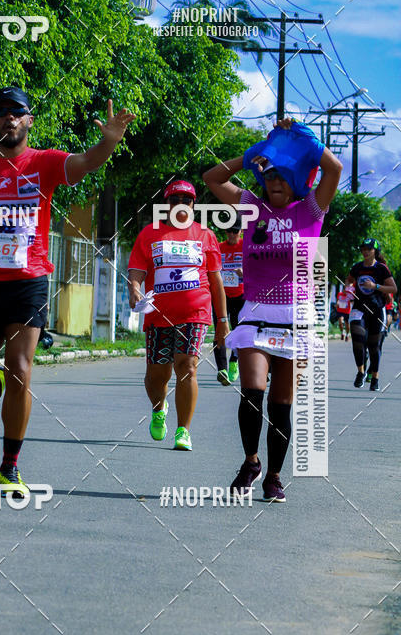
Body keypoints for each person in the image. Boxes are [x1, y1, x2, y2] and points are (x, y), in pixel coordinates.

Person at [0, 86, 135, 494]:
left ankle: (9, 466)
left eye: (17, 112)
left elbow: (87, 162)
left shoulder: (44, 163)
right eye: (1, 112)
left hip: (29, 282)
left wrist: (107, 142)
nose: (9, 118)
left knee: (21, 367)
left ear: (28, 120)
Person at [203, 119, 342, 503]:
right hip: (255, 313)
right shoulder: (251, 206)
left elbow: (334, 169)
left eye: (284, 176)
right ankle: (251, 462)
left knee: (282, 404)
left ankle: (275, 476)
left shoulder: (311, 209)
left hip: (296, 319)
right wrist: (251, 154)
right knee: (252, 390)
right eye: (270, 175)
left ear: (297, 178)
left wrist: (305, 138)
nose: (276, 182)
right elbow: (212, 178)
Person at [127, 179, 228, 451]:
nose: (180, 204)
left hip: (195, 312)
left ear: (194, 204)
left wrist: (222, 321)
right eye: (175, 200)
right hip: (159, 316)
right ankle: (159, 408)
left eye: (187, 200)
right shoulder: (150, 234)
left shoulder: (205, 235)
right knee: (156, 377)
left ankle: (183, 430)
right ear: (166, 204)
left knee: (187, 366)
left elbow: (216, 281)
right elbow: (136, 270)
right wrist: (135, 289)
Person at [345, 238, 397, 392]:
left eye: (369, 249)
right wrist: (348, 287)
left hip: (376, 310)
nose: (365, 251)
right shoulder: (357, 267)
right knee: (357, 341)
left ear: (375, 251)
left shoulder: (381, 269)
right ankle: (361, 372)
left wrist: (376, 286)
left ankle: (375, 377)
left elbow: (393, 289)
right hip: (359, 308)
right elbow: (349, 280)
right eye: (363, 248)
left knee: (374, 347)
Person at [213, 217, 244, 385]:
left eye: (235, 231)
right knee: (220, 330)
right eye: (229, 231)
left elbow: (258, 270)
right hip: (221, 296)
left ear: (241, 232)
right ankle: (222, 370)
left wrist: (244, 273)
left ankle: (234, 360)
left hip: (240, 296)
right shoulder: (219, 248)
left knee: (238, 331)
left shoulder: (246, 247)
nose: (232, 234)